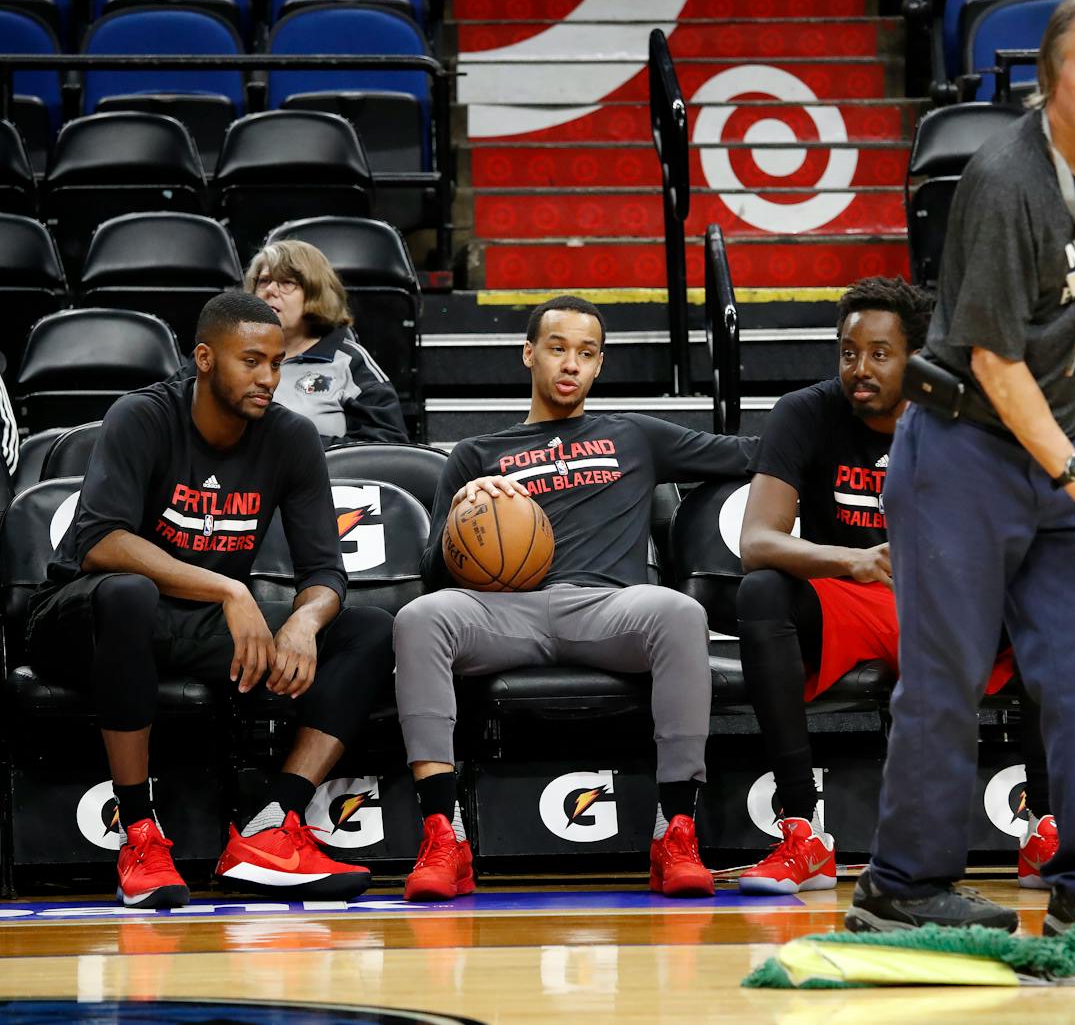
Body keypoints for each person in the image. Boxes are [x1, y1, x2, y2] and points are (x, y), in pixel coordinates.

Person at [845, 0, 1075, 936]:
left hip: (1055, 435)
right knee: (945, 674)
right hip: (966, 452)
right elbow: (991, 359)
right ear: (1048, 79)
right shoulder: (1001, 179)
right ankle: (903, 881)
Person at [26, 292, 396, 909]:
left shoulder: (291, 439)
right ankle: (139, 836)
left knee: (368, 629)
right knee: (128, 594)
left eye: (277, 363)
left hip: (187, 624)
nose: (268, 378)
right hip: (80, 619)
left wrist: (305, 620)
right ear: (204, 358)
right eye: (250, 361)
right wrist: (228, 589)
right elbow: (98, 541)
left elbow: (326, 570)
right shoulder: (141, 416)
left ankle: (270, 827)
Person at [393, 295, 754, 901]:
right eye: (557, 348)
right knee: (421, 617)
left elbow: (751, 456)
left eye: (586, 353)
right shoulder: (476, 455)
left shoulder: (633, 435)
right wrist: (461, 516)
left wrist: (836, 421)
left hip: (607, 608)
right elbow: (433, 575)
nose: (570, 364)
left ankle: (678, 833)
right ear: (528, 354)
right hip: (504, 610)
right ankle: (443, 837)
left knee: (681, 611)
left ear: (599, 365)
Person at [735, 276, 1056, 895]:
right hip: (851, 598)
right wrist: (846, 561)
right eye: (849, 352)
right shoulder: (804, 413)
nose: (860, 368)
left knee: (1048, 605)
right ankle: (804, 834)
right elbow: (757, 543)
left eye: (880, 353)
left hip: (950, 606)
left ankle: (1046, 830)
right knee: (762, 592)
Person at [230, 239, 408, 446]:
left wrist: (299, 447)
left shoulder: (350, 363)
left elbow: (387, 446)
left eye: (287, 283)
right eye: (263, 281)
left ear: (315, 294)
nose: (270, 290)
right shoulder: (227, 351)